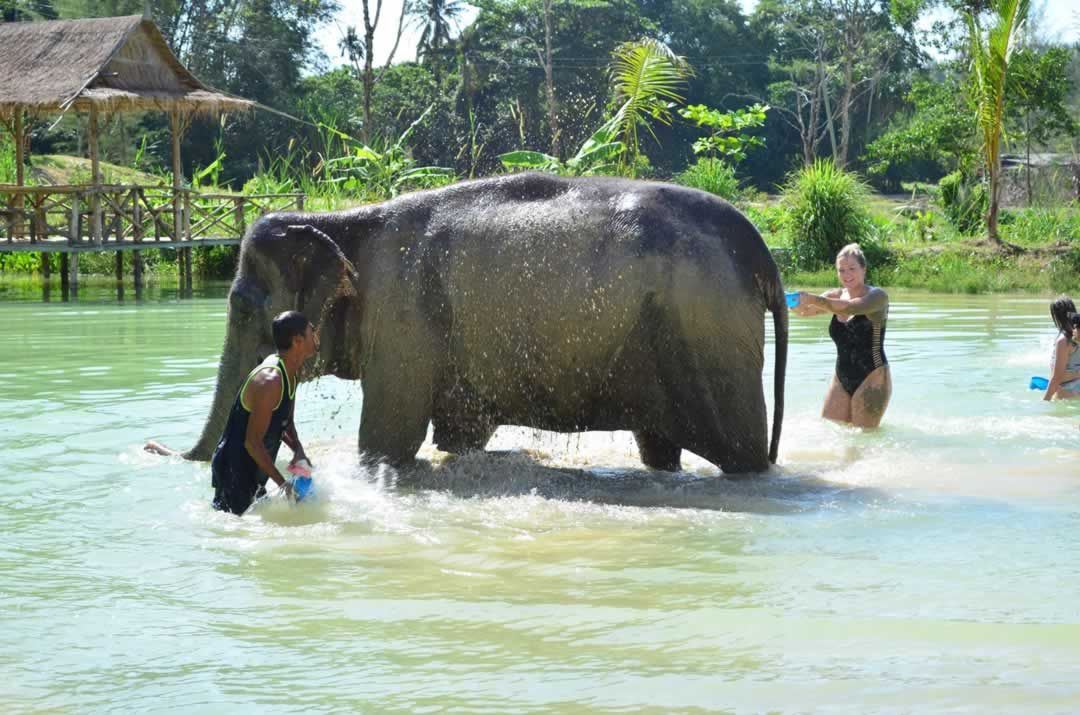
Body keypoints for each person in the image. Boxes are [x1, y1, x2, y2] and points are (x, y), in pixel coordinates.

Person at [146, 311, 317, 515]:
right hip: (234, 468)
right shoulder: (270, 382)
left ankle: (156, 448)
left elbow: (285, 420)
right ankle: (153, 448)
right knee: (233, 528)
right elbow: (252, 443)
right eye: (311, 331)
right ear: (298, 341)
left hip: (254, 467)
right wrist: (283, 485)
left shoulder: (291, 371)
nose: (316, 335)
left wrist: (298, 449)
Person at [790, 243, 891, 428]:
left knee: (864, 440)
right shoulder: (834, 295)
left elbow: (852, 307)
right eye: (841, 270)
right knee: (829, 431)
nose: (847, 275)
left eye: (852, 268)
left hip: (872, 376)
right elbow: (804, 311)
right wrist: (786, 300)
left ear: (864, 269)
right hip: (841, 377)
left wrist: (812, 298)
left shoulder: (878, 297)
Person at [1043, 295, 1080, 401]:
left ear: (1057, 317)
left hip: (1069, 392)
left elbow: (1057, 378)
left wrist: (1044, 401)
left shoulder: (1063, 341)